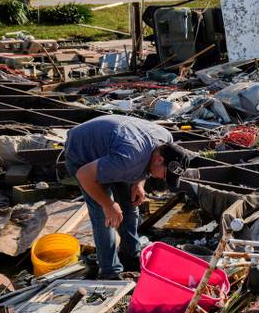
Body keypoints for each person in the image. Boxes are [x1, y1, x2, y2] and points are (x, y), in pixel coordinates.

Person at [64, 115, 193, 279]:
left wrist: (139, 182)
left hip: (115, 152)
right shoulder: (129, 159)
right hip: (83, 154)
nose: (162, 179)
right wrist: (108, 205)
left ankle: (130, 255)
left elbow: (147, 159)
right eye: (165, 174)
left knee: (130, 207)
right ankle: (109, 271)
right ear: (160, 160)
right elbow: (84, 176)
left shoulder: (166, 140)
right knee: (105, 218)